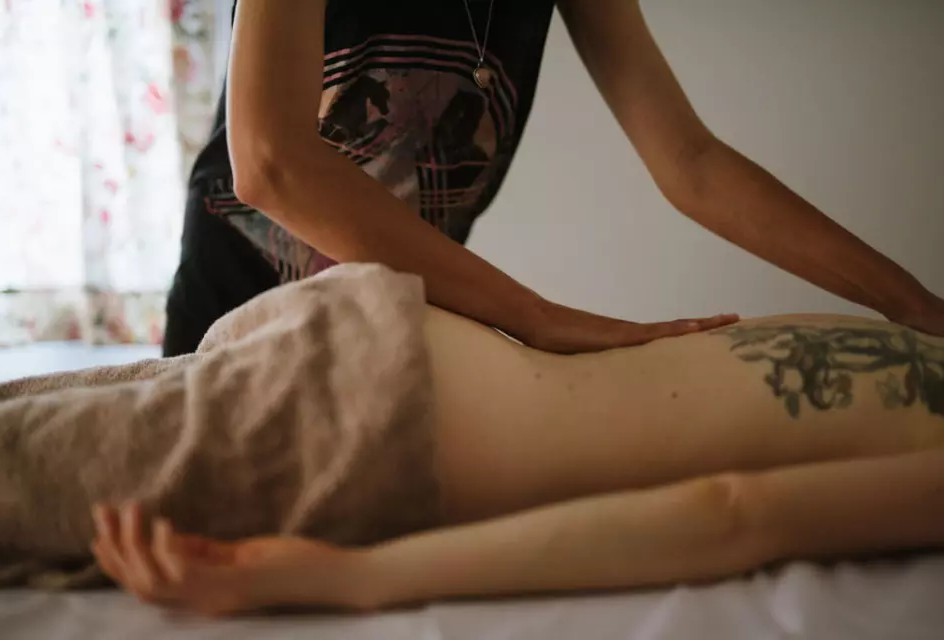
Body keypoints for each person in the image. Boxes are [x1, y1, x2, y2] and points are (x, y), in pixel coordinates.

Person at [163, 0, 944, 358]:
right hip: (231, 314)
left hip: (388, 327)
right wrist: (534, 316)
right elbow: (272, 162)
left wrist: (910, 303)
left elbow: (692, 163)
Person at [93, 298, 943, 616]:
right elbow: (729, 513)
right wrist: (353, 578)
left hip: (373, 326)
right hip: (385, 422)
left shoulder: (916, 332)